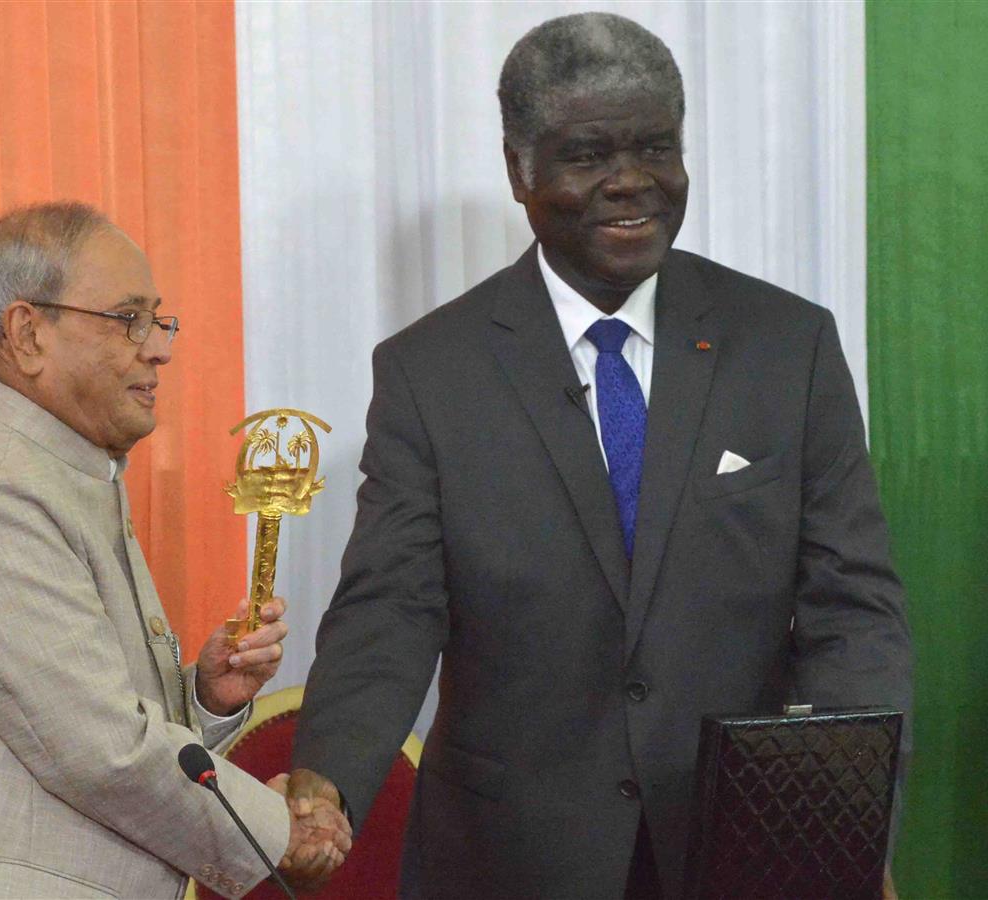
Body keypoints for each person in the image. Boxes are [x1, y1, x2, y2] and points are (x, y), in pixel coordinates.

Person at [287, 13, 912, 900]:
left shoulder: (787, 346)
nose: (631, 183)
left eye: (655, 148)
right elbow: (391, 609)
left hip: (746, 845)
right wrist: (327, 780)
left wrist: (850, 819)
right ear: (520, 170)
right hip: (511, 857)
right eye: (587, 156)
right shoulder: (431, 372)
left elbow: (853, 607)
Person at [0, 202, 349, 898]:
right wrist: (281, 832)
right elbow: (103, 753)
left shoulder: (68, 476)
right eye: (128, 319)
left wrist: (203, 696)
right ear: (27, 334)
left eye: (159, 320)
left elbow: (96, 725)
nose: (160, 347)